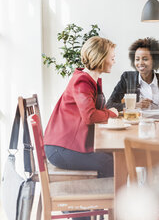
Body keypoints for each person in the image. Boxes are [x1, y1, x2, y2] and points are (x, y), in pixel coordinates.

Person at [44, 36, 118, 180]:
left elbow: (96, 112)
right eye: (112, 58)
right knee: (111, 162)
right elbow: (90, 116)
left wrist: (108, 113)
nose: (114, 62)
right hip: (60, 149)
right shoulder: (82, 81)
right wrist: (112, 114)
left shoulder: (90, 80)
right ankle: (106, 199)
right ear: (101, 58)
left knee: (115, 155)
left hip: (66, 146)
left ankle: (110, 198)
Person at [106, 37, 159, 111]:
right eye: (137, 59)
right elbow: (109, 105)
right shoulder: (127, 78)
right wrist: (134, 105)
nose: (140, 63)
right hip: (136, 121)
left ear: (154, 61)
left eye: (145, 59)